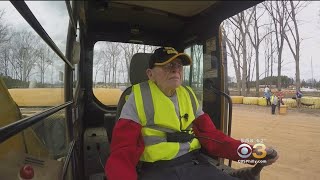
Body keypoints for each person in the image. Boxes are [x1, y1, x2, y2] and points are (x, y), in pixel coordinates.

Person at [105, 47, 279, 180]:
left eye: (178, 65)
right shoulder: (136, 98)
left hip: (194, 163)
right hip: (156, 170)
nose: (175, 69)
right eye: (167, 65)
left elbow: (213, 137)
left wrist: (254, 152)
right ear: (150, 74)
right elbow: (122, 152)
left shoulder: (189, 95)